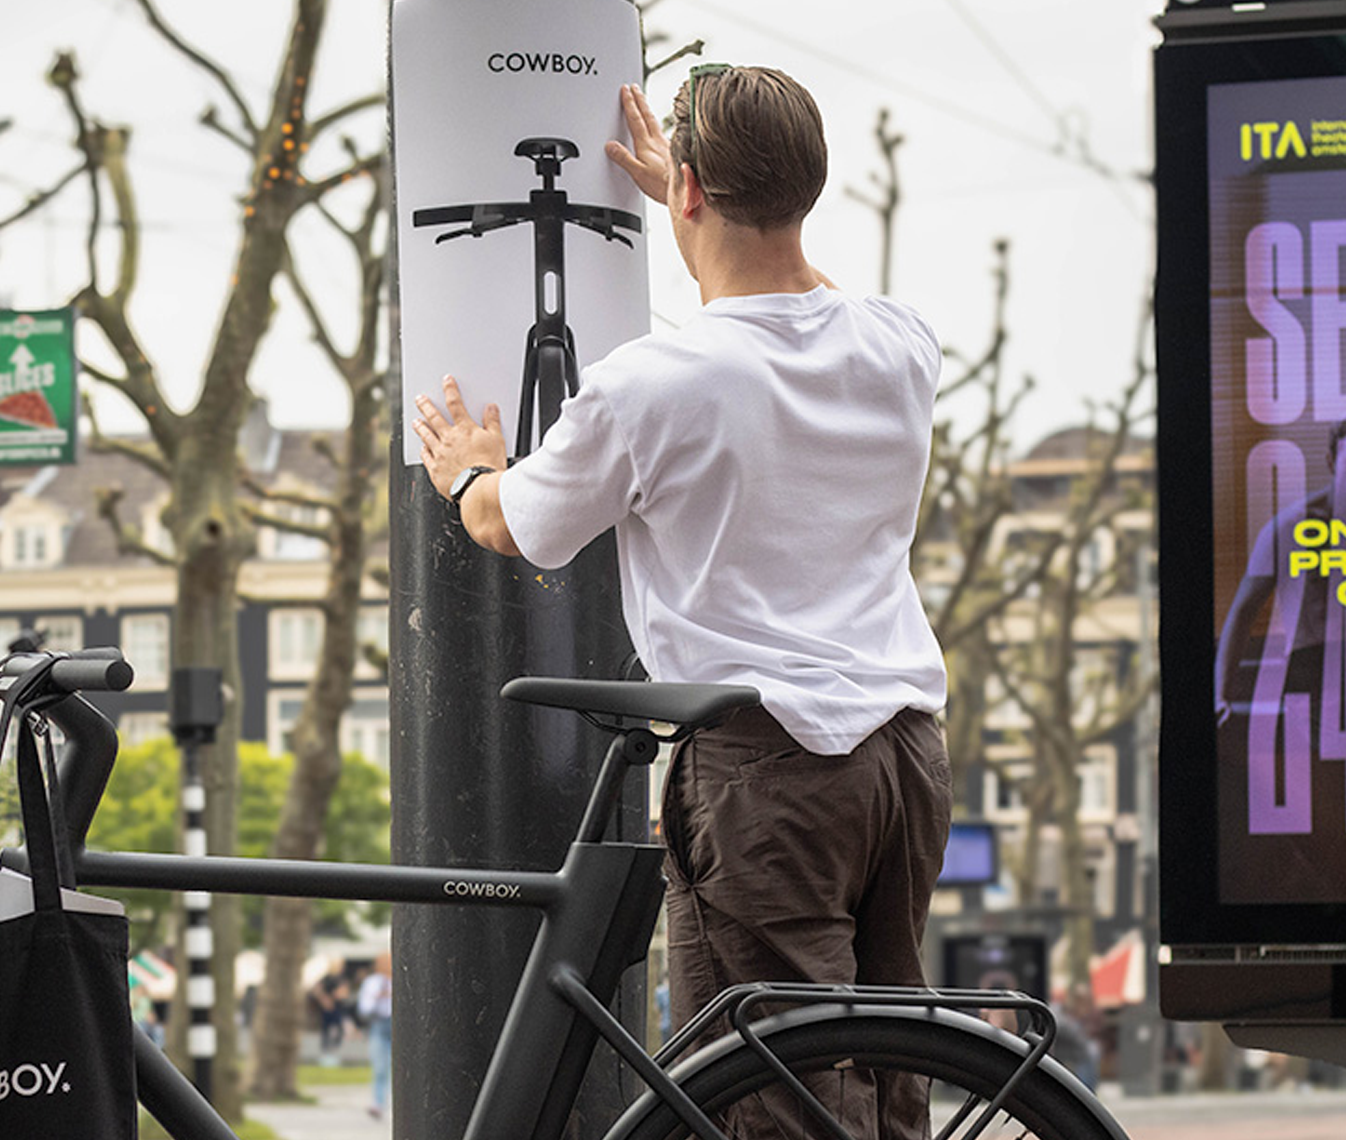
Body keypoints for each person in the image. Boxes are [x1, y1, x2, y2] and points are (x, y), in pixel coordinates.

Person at [413, 66, 949, 1140]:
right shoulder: (900, 346)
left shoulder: (654, 384)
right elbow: (814, 296)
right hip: (904, 755)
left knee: (778, 1092)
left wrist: (470, 472)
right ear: (811, 187)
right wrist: (712, 198)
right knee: (896, 1066)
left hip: (771, 770)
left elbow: (517, 527)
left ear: (691, 192)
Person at [356, 952, 393, 1121]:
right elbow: (363, 1009)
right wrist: (378, 998)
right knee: (380, 1067)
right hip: (379, 1024)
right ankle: (378, 1104)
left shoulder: (403, 980)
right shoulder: (372, 983)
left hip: (398, 1025)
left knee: (402, 1068)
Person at [309, 968, 349, 1065]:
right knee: (326, 1032)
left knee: (338, 1031)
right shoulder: (325, 978)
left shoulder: (340, 979)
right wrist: (325, 1000)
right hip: (326, 1010)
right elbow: (317, 990)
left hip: (337, 1009)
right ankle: (326, 1054)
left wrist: (337, 995)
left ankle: (334, 1052)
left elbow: (344, 993)